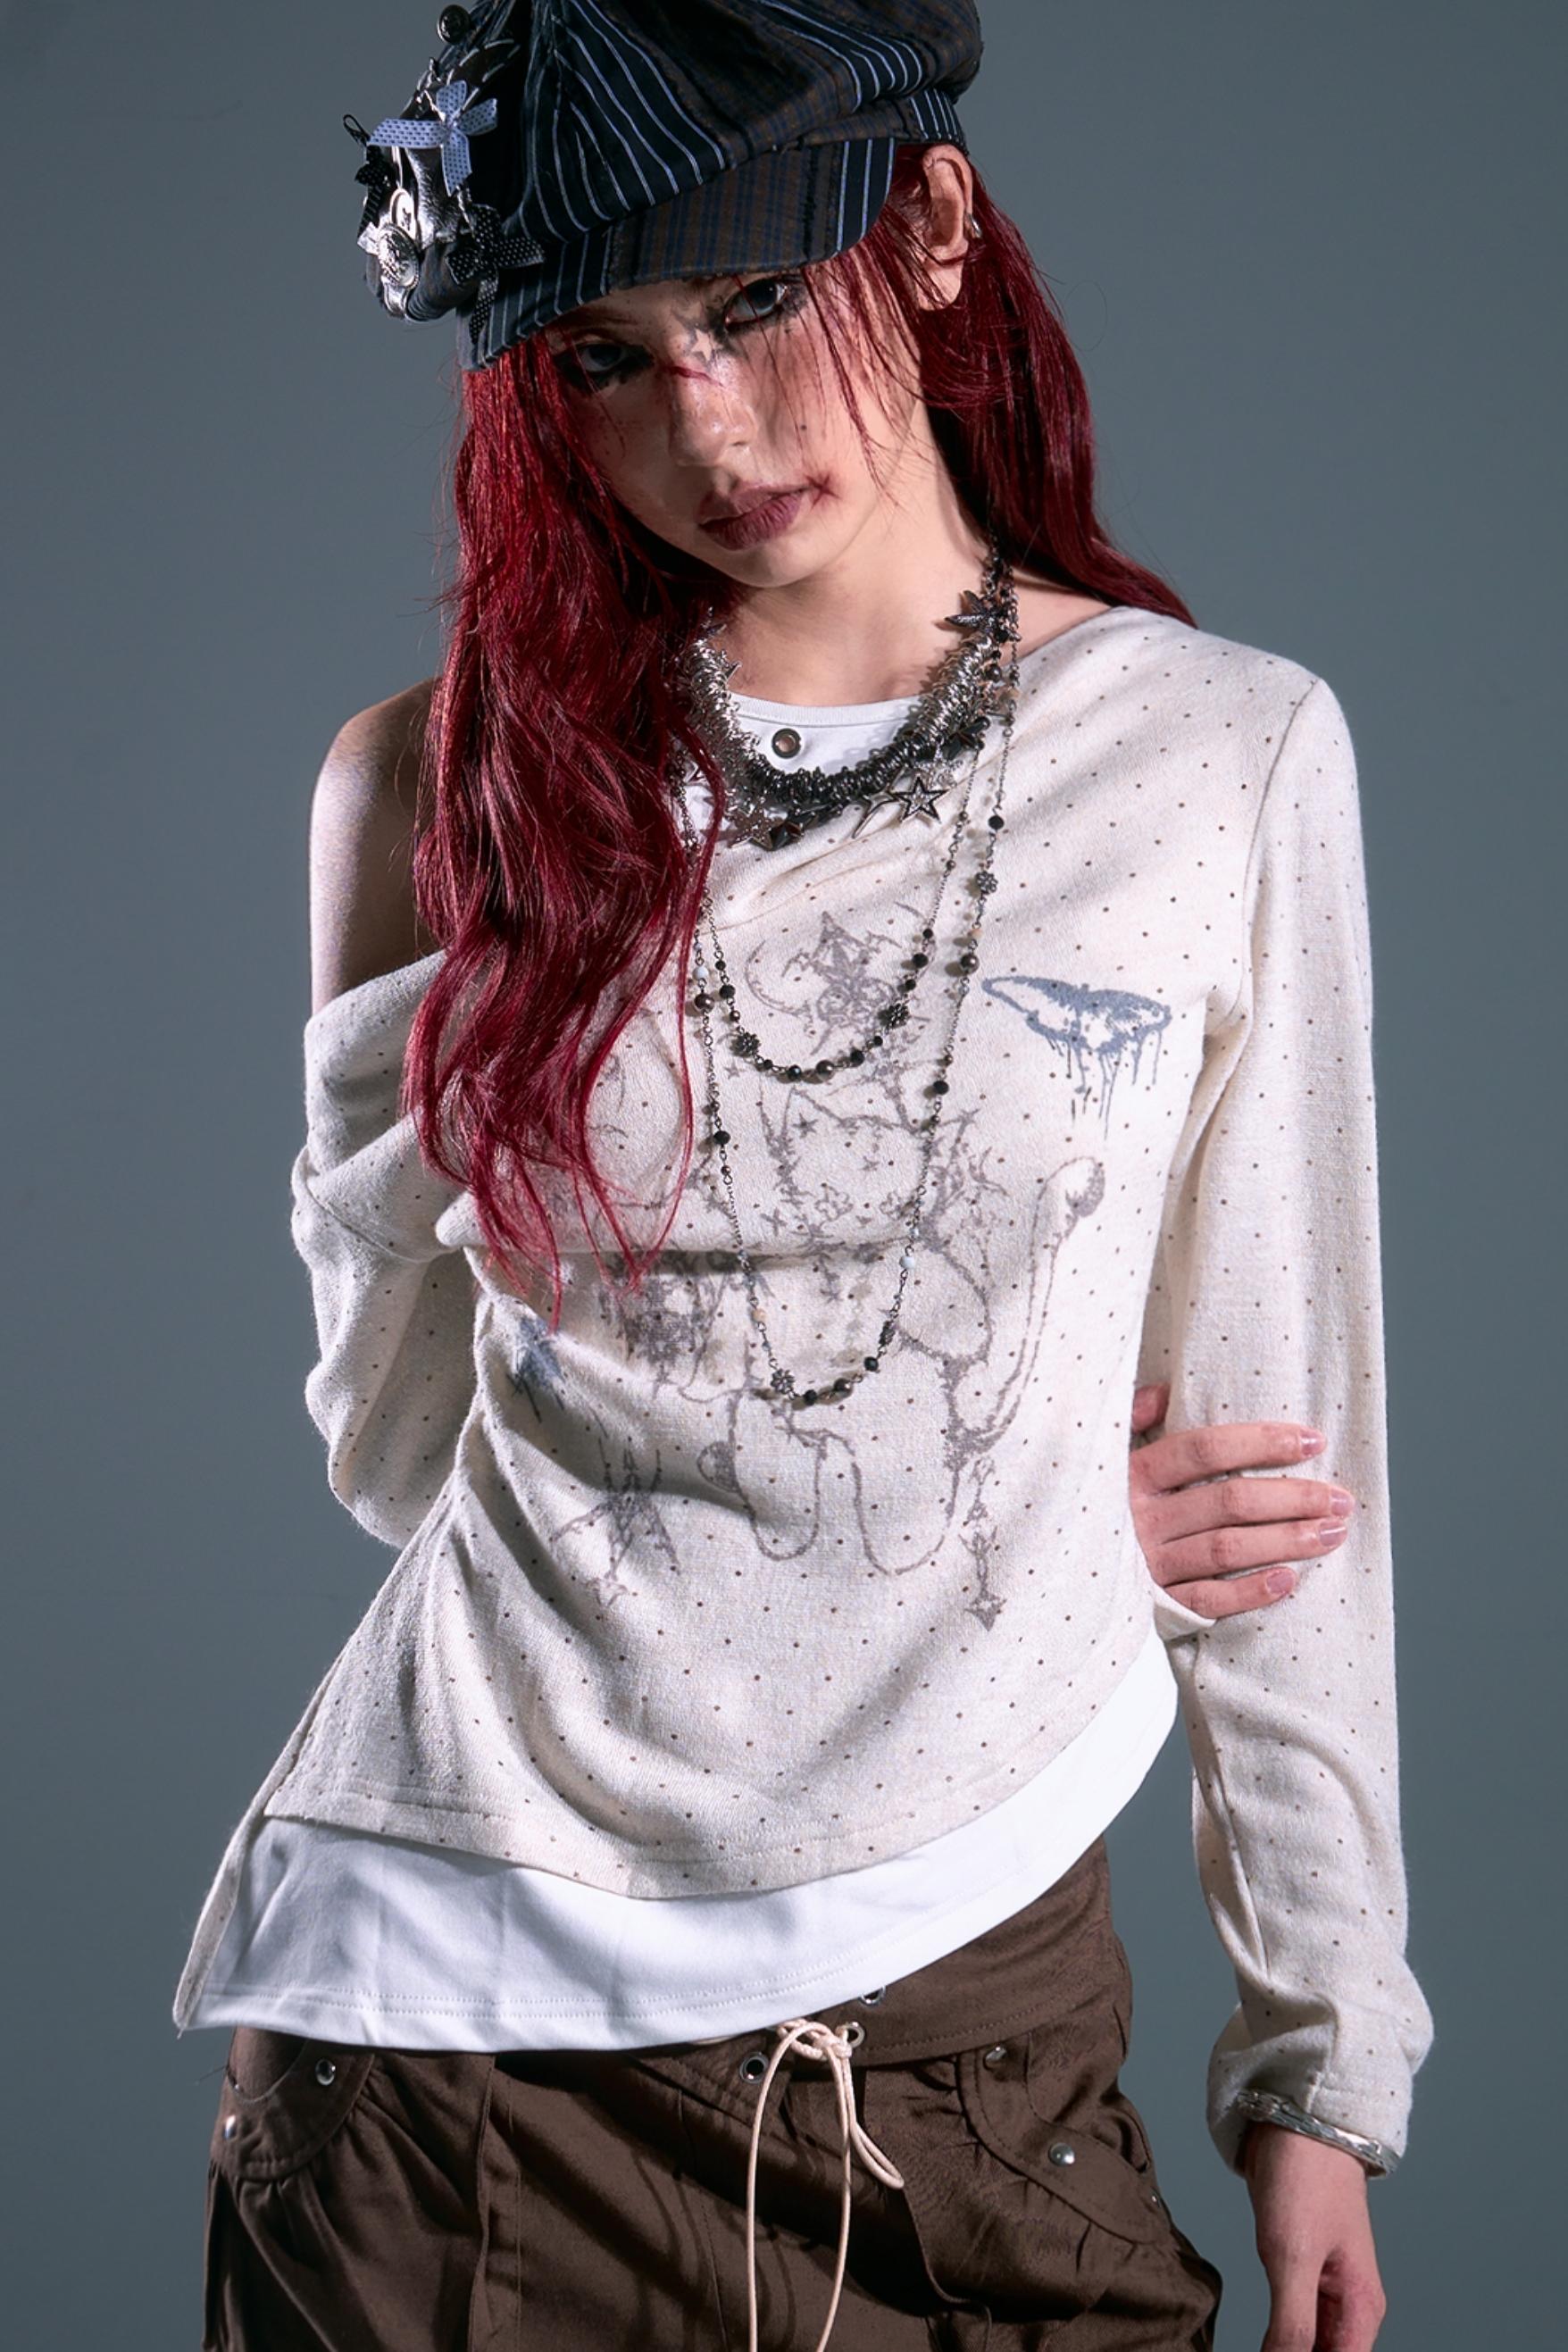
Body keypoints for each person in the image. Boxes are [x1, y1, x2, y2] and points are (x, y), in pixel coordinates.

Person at [176, 5, 1432, 2348]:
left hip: (970, 2052)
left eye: (756, 301)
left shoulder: (1217, 758)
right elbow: (402, 1452)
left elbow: (1283, 1471)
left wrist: (1323, 2067)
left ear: (929, 223)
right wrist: (979, 1501)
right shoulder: (435, 790)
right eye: (605, 359)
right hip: (443, 2054)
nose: (711, 428)